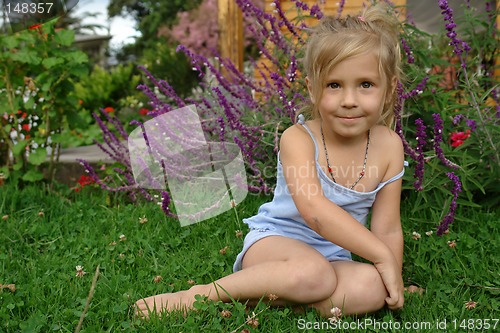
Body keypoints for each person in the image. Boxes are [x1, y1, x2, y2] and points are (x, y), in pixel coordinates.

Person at [135, 2, 405, 319]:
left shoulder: (389, 146)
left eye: (366, 85)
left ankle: (277, 299)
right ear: (313, 89)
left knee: (370, 289)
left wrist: (393, 276)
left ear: (388, 91)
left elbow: (387, 228)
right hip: (275, 246)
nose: (349, 100)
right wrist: (379, 256)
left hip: (333, 257)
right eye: (334, 85)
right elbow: (315, 211)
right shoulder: (298, 138)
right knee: (313, 274)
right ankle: (202, 296)